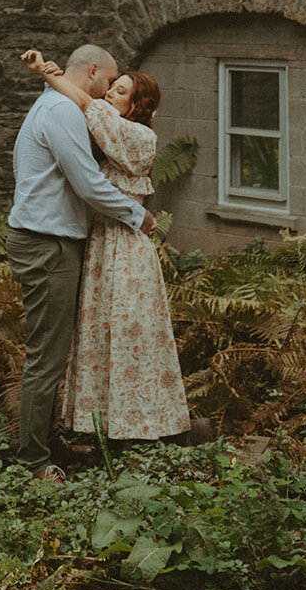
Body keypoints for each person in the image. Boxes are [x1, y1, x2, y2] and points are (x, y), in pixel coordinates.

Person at [22, 50, 191, 444]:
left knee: (132, 330)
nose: (110, 95)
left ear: (137, 105)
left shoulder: (138, 136)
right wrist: (55, 75)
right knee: (99, 332)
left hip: (126, 245)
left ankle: (145, 425)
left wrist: (47, 74)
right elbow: (86, 109)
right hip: (102, 242)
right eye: (111, 87)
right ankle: (100, 425)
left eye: (120, 91)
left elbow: (85, 103)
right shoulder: (111, 131)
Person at [6, 43, 157, 482]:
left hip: (49, 240)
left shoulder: (53, 103)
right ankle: (34, 460)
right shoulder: (62, 112)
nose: (109, 90)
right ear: (93, 71)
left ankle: (49, 441)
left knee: (55, 351)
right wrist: (137, 214)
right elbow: (88, 184)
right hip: (47, 243)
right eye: (110, 82)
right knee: (47, 356)